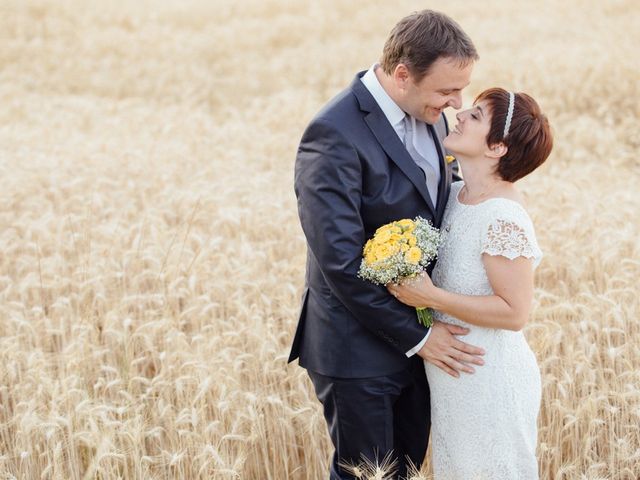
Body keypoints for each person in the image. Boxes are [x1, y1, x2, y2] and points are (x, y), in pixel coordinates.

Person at [289, 10, 485, 479]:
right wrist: (418, 336)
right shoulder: (333, 134)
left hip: (421, 341)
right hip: (356, 348)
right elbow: (339, 260)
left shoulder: (433, 115)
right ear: (402, 75)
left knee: (406, 472)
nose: (458, 103)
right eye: (446, 90)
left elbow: (440, 189)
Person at [388, 87, 553, 478]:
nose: (459, 114)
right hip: (455, 378)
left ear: (497, 147)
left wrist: (430, 296)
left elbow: (515, 313)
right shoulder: (458, 193)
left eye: (476, 116)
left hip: (490, 379)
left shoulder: (503, 217)